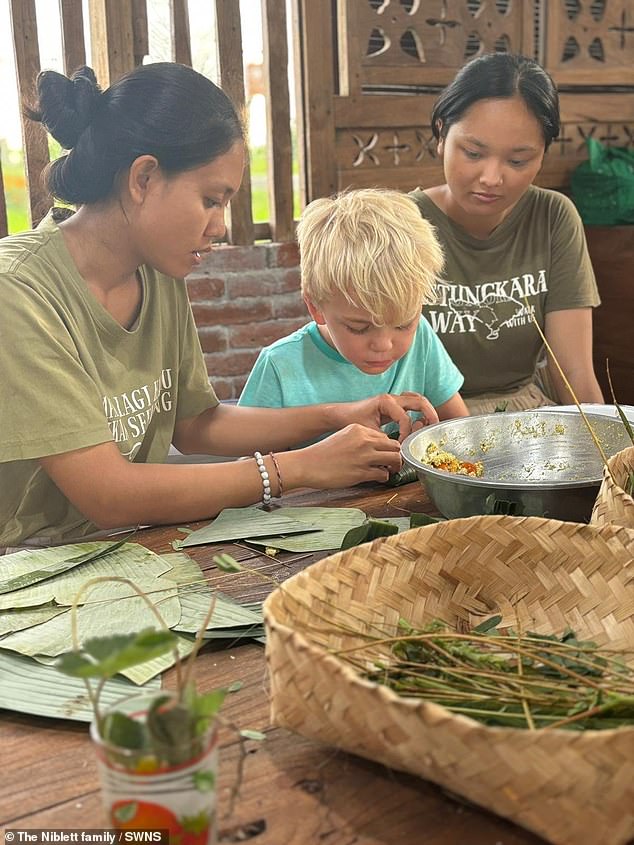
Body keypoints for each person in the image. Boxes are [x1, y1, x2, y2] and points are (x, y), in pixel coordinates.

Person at [0, 63, 434, 551]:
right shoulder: (18, 293)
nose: (222, 226)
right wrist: (298, 467)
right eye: (211, 199)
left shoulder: (157, 270)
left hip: (117, 547)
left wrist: (338, 414)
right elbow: (110, 495)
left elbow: (196, 423)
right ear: (143, 178)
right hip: (23, 562)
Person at [410, 52, 604, 415]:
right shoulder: (402, 224)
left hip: (523, 414)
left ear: (543, 155)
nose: (491, 178)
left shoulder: (553, 217)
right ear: (441, 134)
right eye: (473, 152)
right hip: (427, 420)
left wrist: (611, 455)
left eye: (517, 161)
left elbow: (573, 371)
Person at [238, 188, 469, 435]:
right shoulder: (279, 366)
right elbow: (250, 464)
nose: (383, 345)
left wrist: (428, 443)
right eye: (359, 328)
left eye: (403, 324)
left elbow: (463, 430)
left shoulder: (421, 336)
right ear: (315, 307)